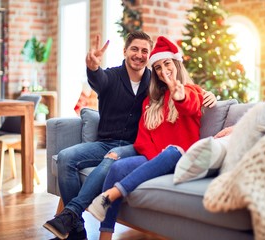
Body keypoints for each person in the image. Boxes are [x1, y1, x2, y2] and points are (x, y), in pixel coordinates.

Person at [43, 32, 216, 240]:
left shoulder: (156, 84)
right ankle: (75, 226)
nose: (139, 55)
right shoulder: (119, 79)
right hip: (106, 143)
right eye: (134, 49)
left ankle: (70, 214)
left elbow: (187, 98)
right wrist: (93, 67)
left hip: (130, 147)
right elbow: (100, 80)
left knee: (115, 156)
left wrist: (207, 95)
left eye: (145, 51)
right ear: (125, 51)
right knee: (65, 158)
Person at [87, 36, 209, 240]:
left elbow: (190, 105)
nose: (163, 71)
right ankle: (105, 235)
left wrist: (178, 96)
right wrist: (156, 163)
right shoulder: (150, 103)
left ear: (176, 64)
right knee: (117, 168)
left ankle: (109, 196)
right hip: (156, 159)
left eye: (167, 64)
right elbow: (142, 141)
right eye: (158, 67)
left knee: (172, 151)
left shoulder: (190, 92)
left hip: (184, 159)